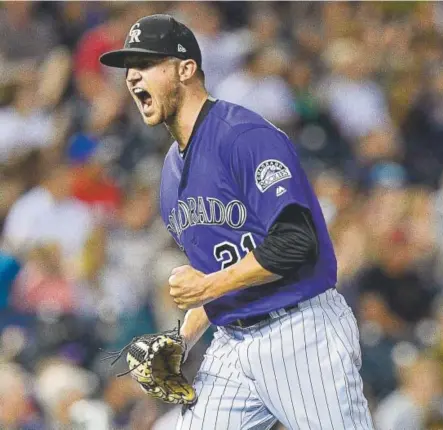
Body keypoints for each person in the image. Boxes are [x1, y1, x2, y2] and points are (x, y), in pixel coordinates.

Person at [100, 14, 374, 429]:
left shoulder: (242, 135)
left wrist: (207, 286)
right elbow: (224, 274)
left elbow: (296, 242)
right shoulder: (170, 176)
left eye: (147, 65)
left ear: (186, 68)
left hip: (299, 329)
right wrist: (184, 338)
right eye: (129, 69)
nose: (134, 78)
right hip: (233, 342)